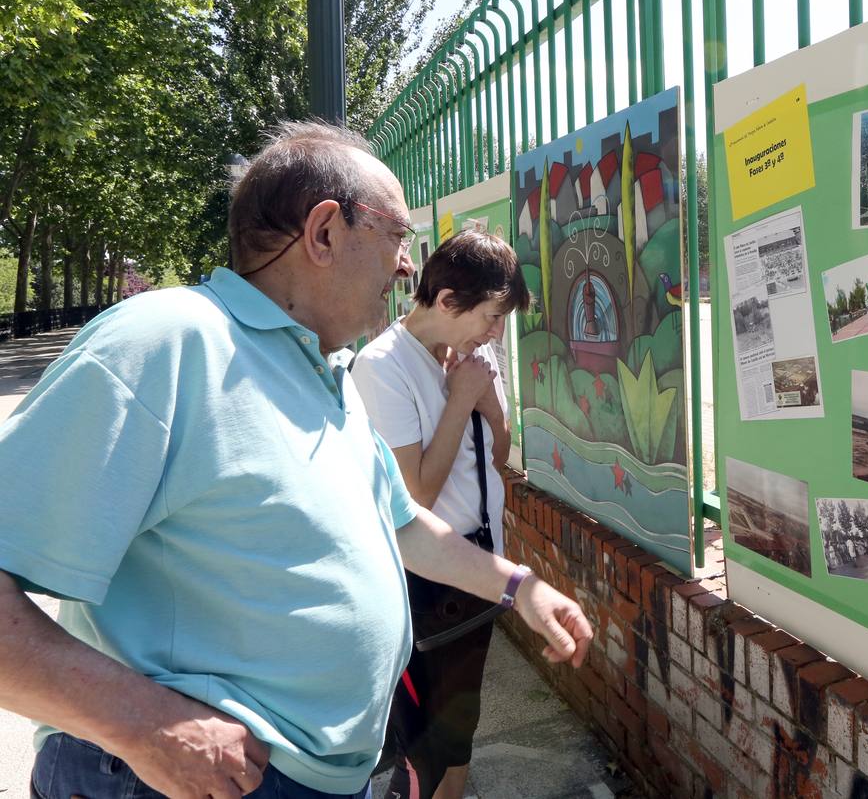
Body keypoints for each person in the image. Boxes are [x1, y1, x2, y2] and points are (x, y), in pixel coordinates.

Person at [0, 121, 593, 799]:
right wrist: (145, 724)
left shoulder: (323, 369)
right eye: (399, 236)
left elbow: (400, 525)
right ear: (324, 232)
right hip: (193, 776)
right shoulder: (165, 343)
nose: (407, 267)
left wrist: (521, 587)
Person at [352, 231, 527, 799]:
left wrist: (489, 404)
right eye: (491, 315)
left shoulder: (475, 356)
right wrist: (458, 399)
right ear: (448, 300)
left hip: (478, 566)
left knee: (462, 724)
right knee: (430, 740)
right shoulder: (382, 368)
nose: (496, 331)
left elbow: (498, 457)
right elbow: (417, 496)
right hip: (426, 582)